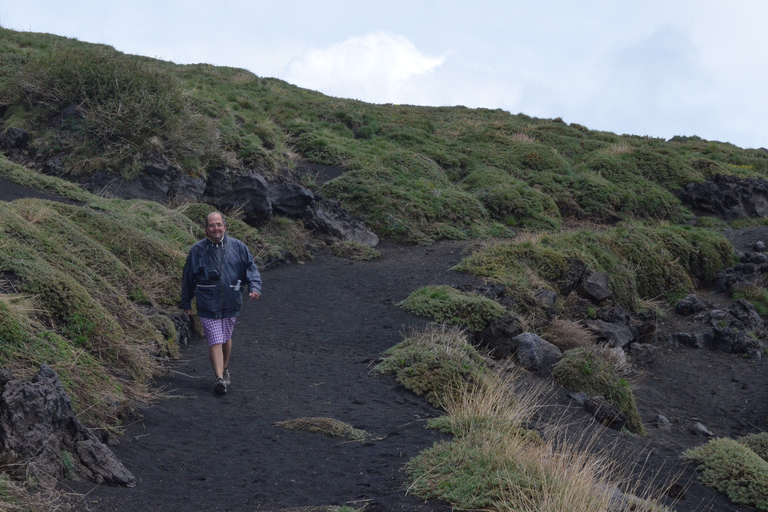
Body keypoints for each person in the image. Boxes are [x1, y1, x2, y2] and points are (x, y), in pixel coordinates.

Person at [181, 211, 261, 394]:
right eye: (211, 225)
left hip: (231, 301)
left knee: (226, 337)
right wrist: (186, 302)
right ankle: (219, 379)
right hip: (207, 303)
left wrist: (254, 287)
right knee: (215, 339)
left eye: (218, 224)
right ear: (206, 230)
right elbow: (187, 278)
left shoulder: (238, 247)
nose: (215, 228)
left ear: (225, 226)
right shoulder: (197, 250)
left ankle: (224, 369)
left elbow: (251, 268)